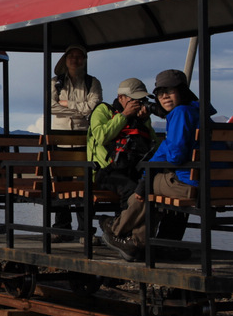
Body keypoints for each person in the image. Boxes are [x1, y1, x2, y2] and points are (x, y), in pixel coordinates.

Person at [101, 69, 208, 262]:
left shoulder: (180, 112)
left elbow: (175, 155)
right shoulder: (200, 109)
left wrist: (148, 173)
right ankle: (157, 242)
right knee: (150, 180)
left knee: (147, 183)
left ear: (182, 91)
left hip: (189, 183)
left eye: (170, 91)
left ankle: (124, 233)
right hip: (206, 182)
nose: (164, 96)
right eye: (160, 92)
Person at [51, 45, 103, 235]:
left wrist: (66, 104)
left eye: (79, 56)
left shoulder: (92, 82)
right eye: (71, 56)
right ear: (65, 59)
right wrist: (80, 108)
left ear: (85, 60)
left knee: (85, 187)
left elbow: (94, 107)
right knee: (60, 186)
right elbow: (51, 107)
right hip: (60, 141)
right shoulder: (56, 82)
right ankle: (62, 229)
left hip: (84, 142)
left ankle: (85, 230)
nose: (75, 59)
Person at [86, 78, 157, 212]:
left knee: (151, 188)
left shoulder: (140, 117)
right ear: (121, 98)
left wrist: (144, 121)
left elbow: (153, 145)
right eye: (134, 99)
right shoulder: (103, 110)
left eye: (142, 100)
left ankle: (122, 227)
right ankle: (121, 230)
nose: (138, 103)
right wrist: (124, 116)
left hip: (133, 169)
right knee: (132, 189)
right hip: (105, 171)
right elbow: (101, 137)